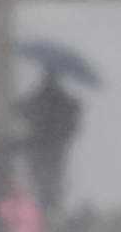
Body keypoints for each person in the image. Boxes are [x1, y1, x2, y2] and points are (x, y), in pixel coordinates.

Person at [19, 69, 81, 214]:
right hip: (54, 151)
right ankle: (51, 212)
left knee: (39, 183)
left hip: (38, 150)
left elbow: (24, 113)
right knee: (52, 185)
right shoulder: (66, 101)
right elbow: (71, 127)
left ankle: (41, 213)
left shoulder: (38, 97)